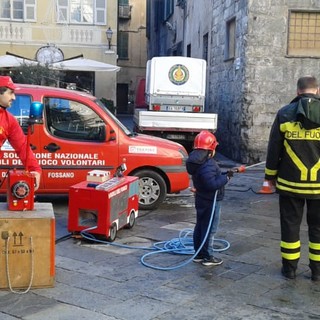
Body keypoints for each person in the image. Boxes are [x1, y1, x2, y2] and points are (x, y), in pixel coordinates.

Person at [265, 75, 320, 281]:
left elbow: (274, 148)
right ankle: (317, 271)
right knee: (318, 229)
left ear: (297, 91)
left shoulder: (284, 114)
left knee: (290, 226)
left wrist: (270, 175)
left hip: (290, 183)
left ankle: (290, 270)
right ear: (317, 90)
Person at [186, 130, 233, 266]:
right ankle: (208, 256)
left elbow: (210, 177)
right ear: (211, 149)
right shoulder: (209, 163)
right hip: (211, 200)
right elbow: (212, 184)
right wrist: (227, 177)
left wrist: (227, 173)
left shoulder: (197, 161)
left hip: (201, 198)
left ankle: (199, 254)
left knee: (200, 226)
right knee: (210, 229)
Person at [0, 76, 41, 189]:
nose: (14, 97)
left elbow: (23, 147)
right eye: (11, 93)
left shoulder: (9, 120)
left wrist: (35, 170)